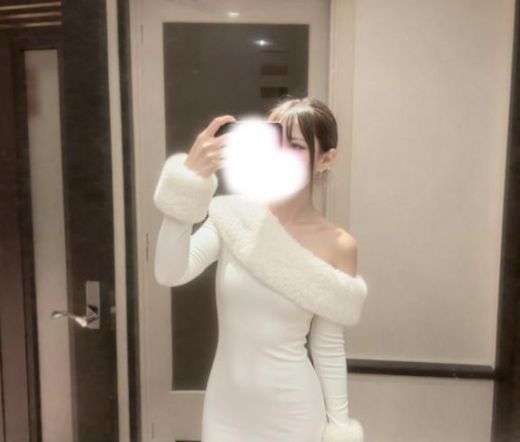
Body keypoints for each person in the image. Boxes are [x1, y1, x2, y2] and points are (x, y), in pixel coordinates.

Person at [153, 97, 368, 442]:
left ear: (326, 159)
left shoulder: (338, 245)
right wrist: (188, 183)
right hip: (225, 410)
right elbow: (169, 272)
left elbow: (328, 345)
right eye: (275, 142)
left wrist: (339, 428)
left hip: (294, 413)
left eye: (295, 146)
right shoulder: (233, 217)